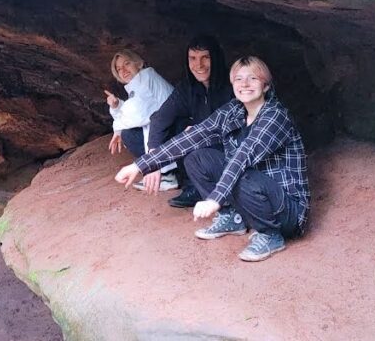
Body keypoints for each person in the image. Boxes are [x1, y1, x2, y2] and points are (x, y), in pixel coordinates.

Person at [115, 56, 309, 262]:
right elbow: (194, 136)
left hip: (288, 211)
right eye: (239, 79)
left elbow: (243, 157)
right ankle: (233, 217)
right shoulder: (233, 110)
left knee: (242, 171)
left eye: (253, 78)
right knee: (196, 157)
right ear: (232, 83)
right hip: (254, 193)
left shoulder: (275, 116)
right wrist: (141, 165)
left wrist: (214, 199)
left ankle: (271, 235)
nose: (245, 84)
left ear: (266, 85)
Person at [139, 34, 234, 208]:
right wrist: (153, 161)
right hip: (201, 147)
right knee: (178, 126)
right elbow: (160, 119)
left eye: (205, 57)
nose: (199, 65)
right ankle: (193, 187)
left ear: (216, 58)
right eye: (193, 58)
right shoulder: (188, 88)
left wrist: (195, 133)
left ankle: (218, 195)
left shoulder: (233, 85)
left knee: (190, 135)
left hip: (229, 152)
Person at [104, 49, 175, 188]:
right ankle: (165, 172)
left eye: (127, 64)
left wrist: (117, 128)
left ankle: (168, 175)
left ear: (139, 63)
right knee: (128, 134)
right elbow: (137, 108)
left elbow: (137, 114)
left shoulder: (147, 77)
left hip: (173, 132)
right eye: (119, 69)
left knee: (128, 134)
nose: (123, 70)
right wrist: (117, 105)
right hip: (167, 133)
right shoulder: (139, 83)